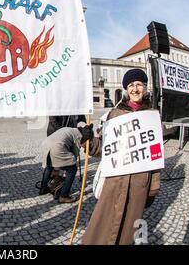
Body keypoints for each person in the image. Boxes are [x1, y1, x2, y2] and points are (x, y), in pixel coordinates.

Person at [80, 68, 161, 245]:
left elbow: (155, 154)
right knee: (102, 227)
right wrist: (88, 140)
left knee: (128, 231)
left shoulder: (153, 116)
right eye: (131, 85)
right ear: (126, 90)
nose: (135, 89)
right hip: (115, 181)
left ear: (145, 87)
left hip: (139, 183)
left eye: (139, 84)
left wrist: (153, 186)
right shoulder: (114, 115)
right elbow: (102, 148)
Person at [39, 126, 90, 203]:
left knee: (49, 166)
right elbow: (75, 154)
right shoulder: (79, 136)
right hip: (57, 147)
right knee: (72, 169)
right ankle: (64, 196)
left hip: (46, 144)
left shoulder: (70, 129)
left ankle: (43, 188)